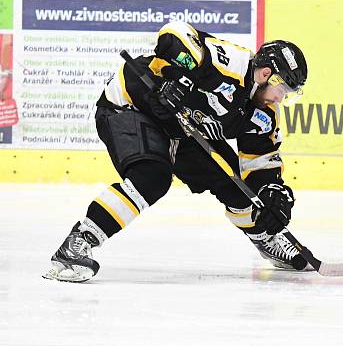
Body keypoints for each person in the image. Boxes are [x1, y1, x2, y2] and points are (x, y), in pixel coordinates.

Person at [43, 20, 309, 282]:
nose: (281, 98)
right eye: (283, 89)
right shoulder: (231, 62)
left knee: (235, 183)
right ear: (265, 74)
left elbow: (261, 163)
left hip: (181, 127)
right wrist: (178, 79)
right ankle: (78, 242)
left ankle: (264, 237)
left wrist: (271, 193)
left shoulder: (264, 115)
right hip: (131, 105)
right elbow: (172, 34)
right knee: (152, 177)